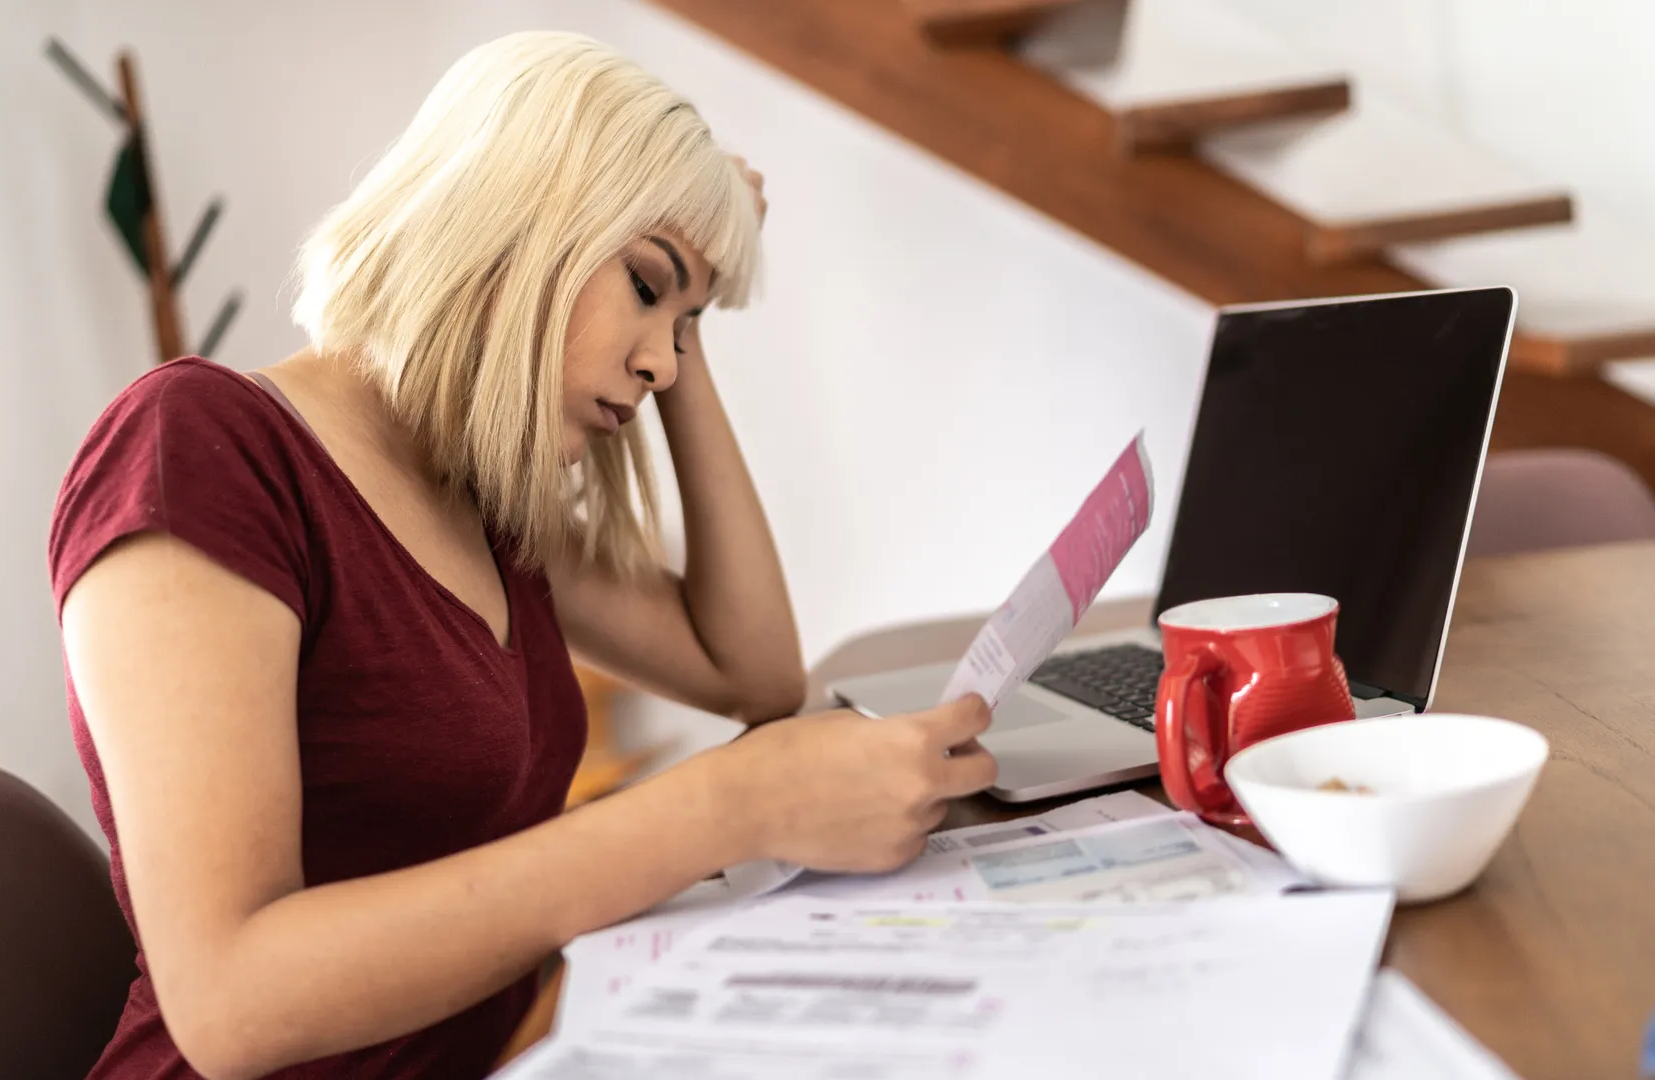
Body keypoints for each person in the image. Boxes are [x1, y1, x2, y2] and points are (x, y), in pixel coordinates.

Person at [50, 31, 995, 1080]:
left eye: (681, 327)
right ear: (517, 219)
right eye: (643, 286)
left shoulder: (481, 490)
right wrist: (725, 810)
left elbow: (752, 671)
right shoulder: (202, 447)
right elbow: (232, 1004)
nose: (657, 365)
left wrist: (688, 314)